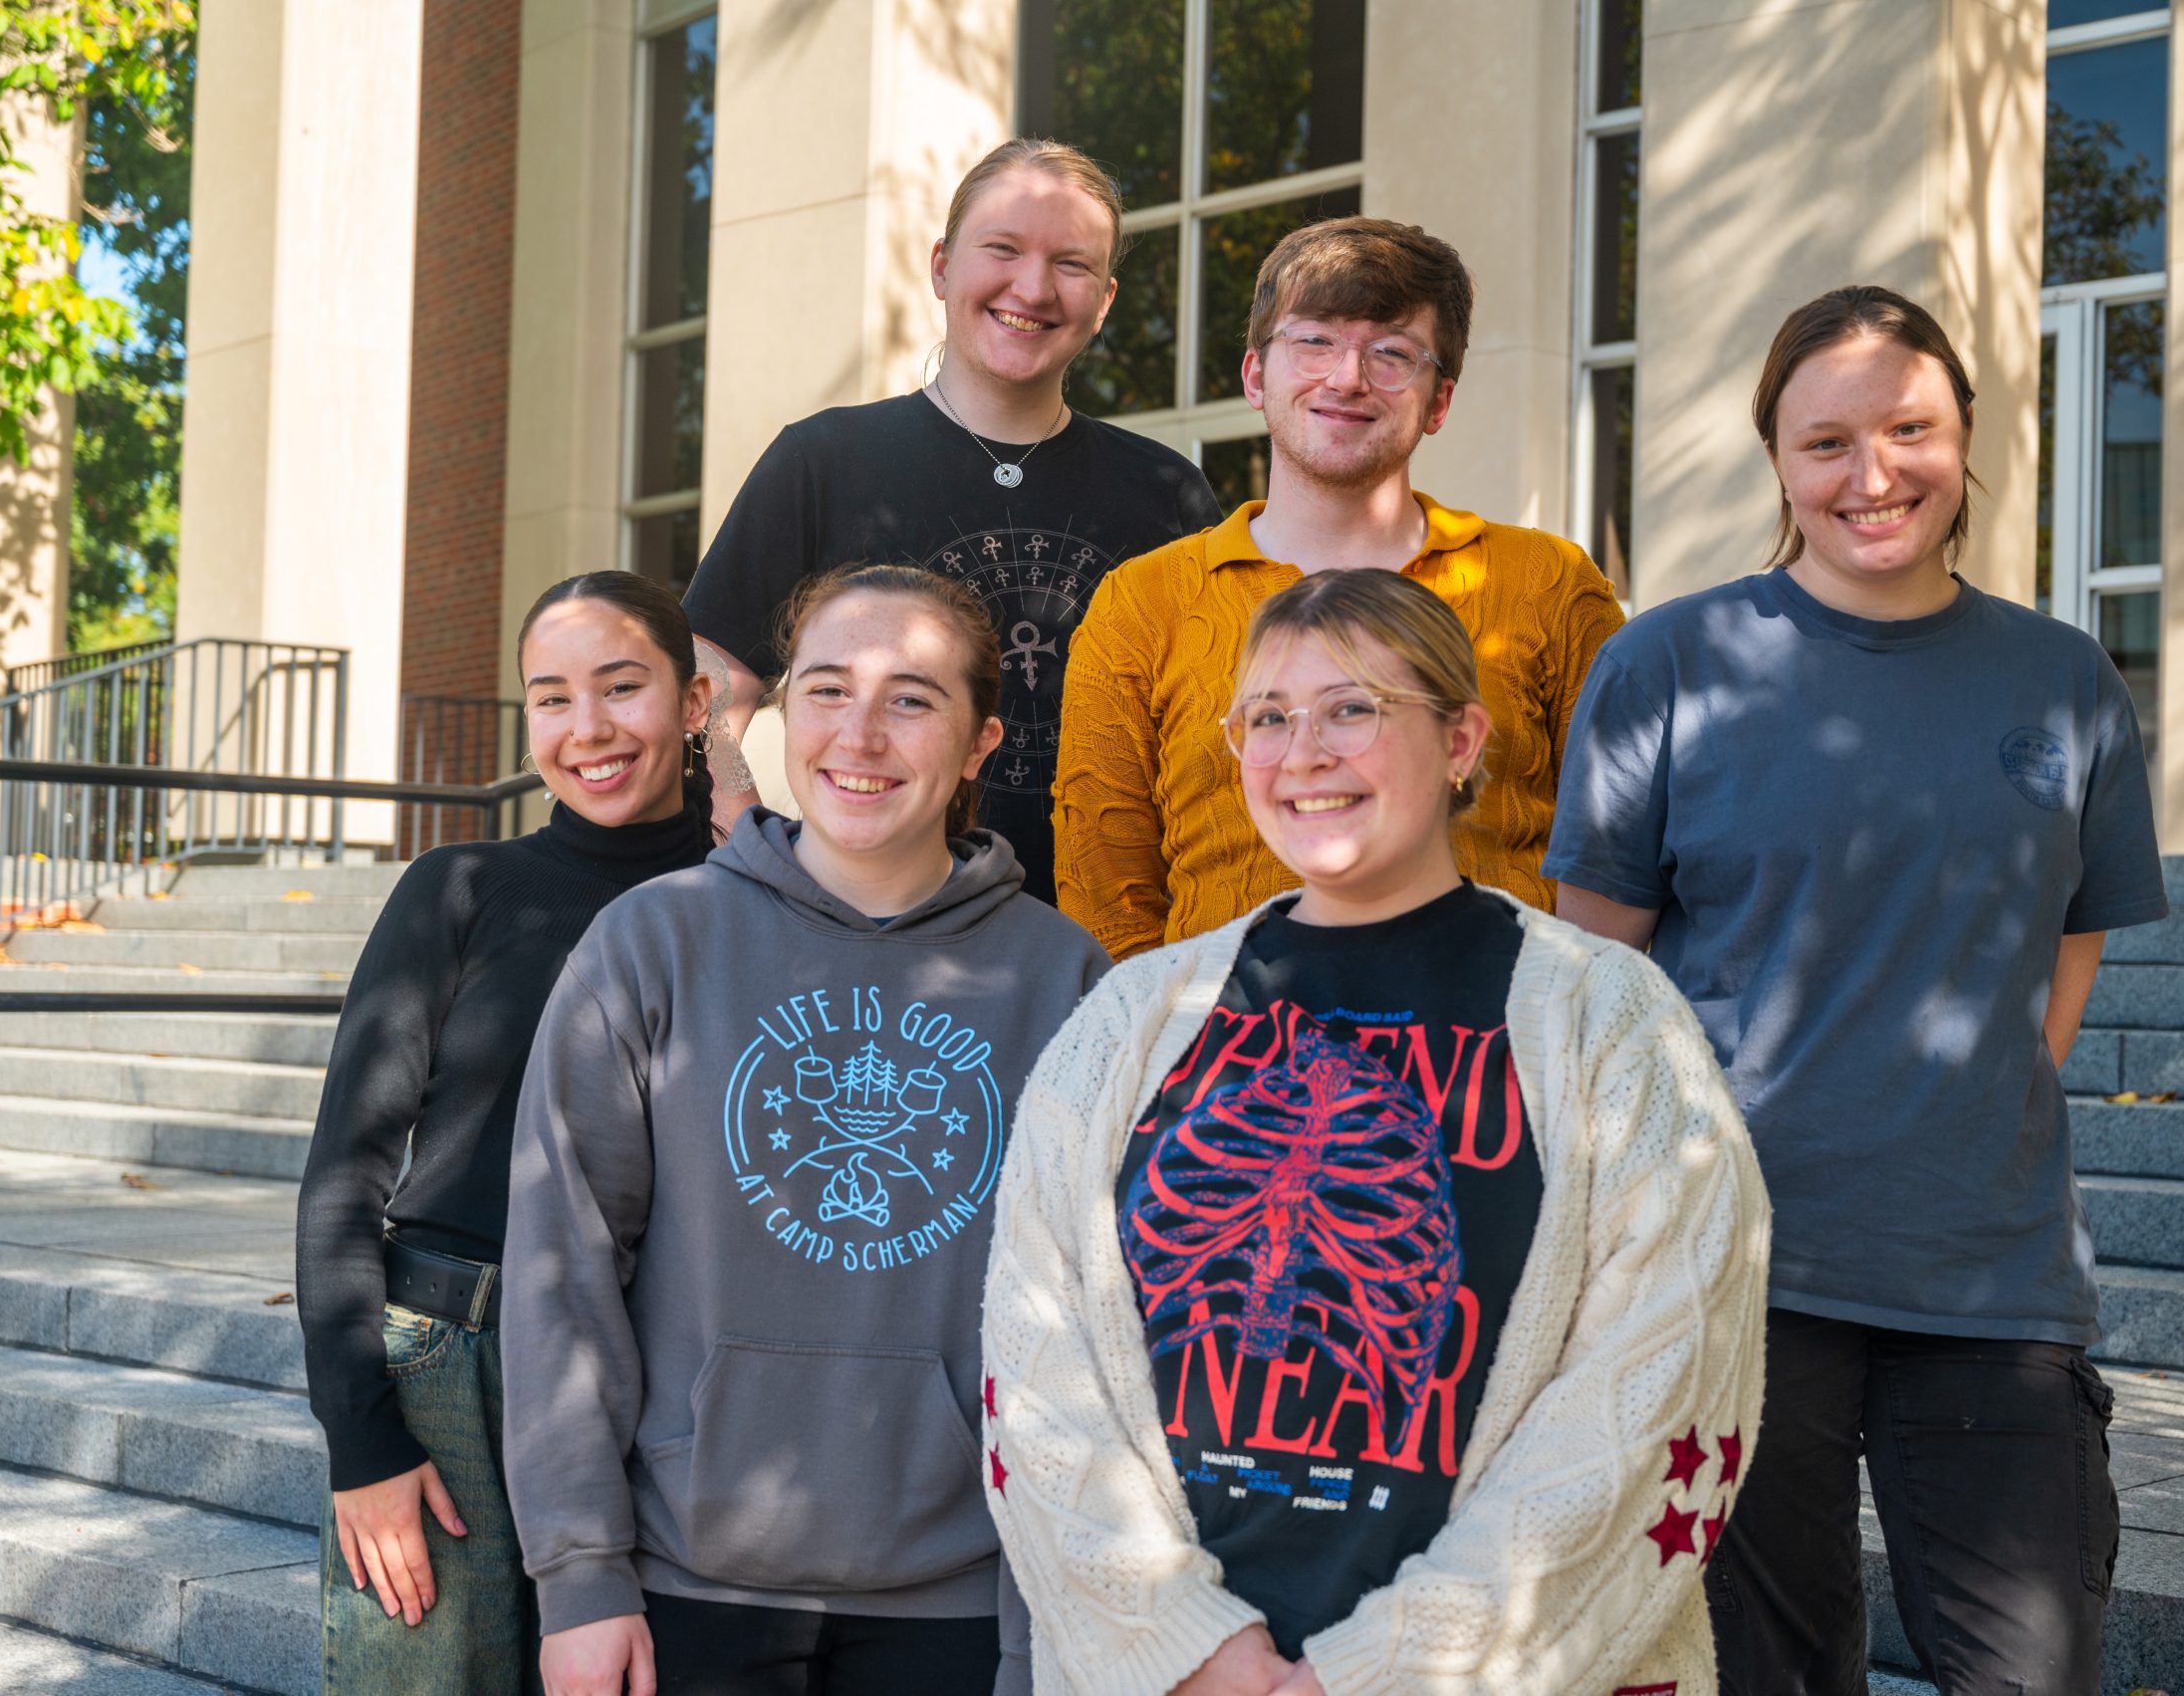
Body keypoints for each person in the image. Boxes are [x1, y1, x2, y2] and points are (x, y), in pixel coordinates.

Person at [981, 569, 1768, 1695]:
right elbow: (1035, 1355)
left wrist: (1389, 1671)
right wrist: (1185, 1645)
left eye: (1352, 707)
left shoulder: (1610, 1021)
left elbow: (1659, 1385)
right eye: (1267, 715)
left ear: (1461, 739)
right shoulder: (1132, 1016)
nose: (1302, 750)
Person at [1544, 284, 2167, 1695]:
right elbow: (1596, 987)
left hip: (1992, 1278)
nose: (1872, 473)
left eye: (1910, 429)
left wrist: (1963, 1116)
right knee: (1773, 1670)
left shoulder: (2064, 676)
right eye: (1826, 441)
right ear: (1777, 457)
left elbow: (2071, 947)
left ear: (1965, 441)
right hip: (1737, 1272)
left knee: (2032, 1667)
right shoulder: (1667, 666)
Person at [504, 563, 1112, 1696]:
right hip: (691, 1581)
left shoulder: (1064, 977)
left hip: (965, 1596)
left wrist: (1040, 1633)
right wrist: (579, 1578)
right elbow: (562, 1273)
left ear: (982, 739)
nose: (862, 734)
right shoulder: (653, 941)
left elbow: (1087, 1334)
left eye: (913, 698)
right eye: (827, 689)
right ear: (781, 715)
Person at [295, 573, 718, 1693]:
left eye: (622, 687)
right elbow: (344, 1180)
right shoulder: (460, 885)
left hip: (667, 1373)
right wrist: (365, 1441)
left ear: (697, 700)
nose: (588, 729)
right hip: (449, 1369)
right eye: (551, 697)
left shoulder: (748, 904)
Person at [1051, 216, 1625, 962]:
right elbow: (1106, 898)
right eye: (1314, 341)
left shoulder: (1549, 584)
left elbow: (1620, 854)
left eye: (1391, 353)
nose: (1348, 377)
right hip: (1228, 1063)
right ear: (1256, 376)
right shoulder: (1142, 603)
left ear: (1440, 401)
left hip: (1498, 1053)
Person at [683, 137, 1223, 896]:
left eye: (1071, 263)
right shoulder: (825, 460)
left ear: (1103, 302)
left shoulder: (1166, 489)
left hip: (1117, 934)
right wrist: (740, 815)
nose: (1032, 288)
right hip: (874, 928)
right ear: (942, 267)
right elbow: (709, 677)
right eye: (1002, 248)